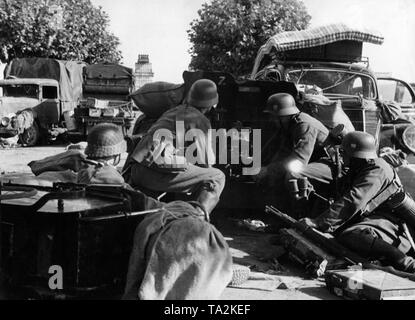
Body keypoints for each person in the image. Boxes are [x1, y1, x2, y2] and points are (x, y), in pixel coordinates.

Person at [301, 131, 415, 273]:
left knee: (351, 235)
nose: (342, 157)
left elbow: (353, 199)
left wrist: (318, 223)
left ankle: (407, 263)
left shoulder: (378, 169)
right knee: (342, 235)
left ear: (354, 154)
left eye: (344, 153)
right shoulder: (360, 168)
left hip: (395, 226)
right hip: (378, 220)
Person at [128, 79, 226, 214]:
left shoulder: (173, 111)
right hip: (153, 175)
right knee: (216, 176)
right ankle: (198, 219)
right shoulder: (199, 119)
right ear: (211, 105)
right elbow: (206, 163)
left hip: (137, 170)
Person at [122, 184, 233, 300]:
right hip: (177, 212)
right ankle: (199, 212)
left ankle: (198, 212)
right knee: (216, 176)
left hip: (173, 212)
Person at [255, 93, 335, 188]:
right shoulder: (288, 125)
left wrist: (268, 170)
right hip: (315, 160)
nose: (272, 119)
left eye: (274, 116)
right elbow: (282, 152)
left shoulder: (304, 125)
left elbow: (299, 161)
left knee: (294, 175)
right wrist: (265, 169)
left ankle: (305, 202)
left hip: (331, 163)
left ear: (282, 116)